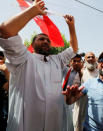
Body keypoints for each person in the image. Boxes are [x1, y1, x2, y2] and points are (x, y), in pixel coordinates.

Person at [0, 0, 78, 130]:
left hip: (54, 124)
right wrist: (33, 11)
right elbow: (5, 31)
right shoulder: (23, 58)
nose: (46, 41)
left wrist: (71, 26)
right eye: (41, 39)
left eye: (48, 40)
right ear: (32, 44)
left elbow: (74, 48)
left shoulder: (56, 60)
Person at [73, 52, 99, 131]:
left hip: (95, 109)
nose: (91, 59)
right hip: (82, 107)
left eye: (92, 57)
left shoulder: (99, 73)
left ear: (95, 59)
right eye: (88, 57)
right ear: (85, 60)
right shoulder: (80, 72)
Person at [62, 54, 83, 131]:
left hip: (76, 101)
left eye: (78, 61)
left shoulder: (83, 72)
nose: (76, 63)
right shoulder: (66, 70)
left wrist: (80, 72)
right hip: (63, 99)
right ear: (70, 62)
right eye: (74, 61)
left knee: (73, 122)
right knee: (63, 121)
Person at [0, 51, 9, 131]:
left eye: (1, 58)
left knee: (4, 116)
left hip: (5, 100)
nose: (0, 61)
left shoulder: (7, 69)